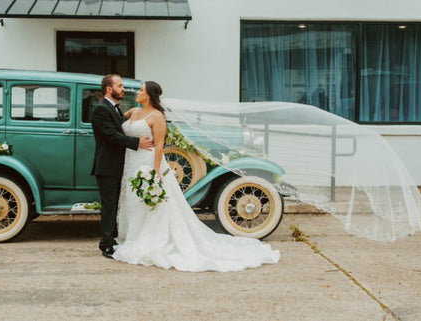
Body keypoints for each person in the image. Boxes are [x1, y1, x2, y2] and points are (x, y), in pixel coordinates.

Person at [112, 81, 280, 272]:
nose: (137, 92)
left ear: (149, 94)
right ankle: (132, 234)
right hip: (132, 161)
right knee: (133, 199)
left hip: (148, 161)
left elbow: (159, 145)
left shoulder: (157, 116)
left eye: (141, 89)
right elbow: (114, 121)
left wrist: (156, 171)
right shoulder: (133, 112)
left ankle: (147, 238)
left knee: (151, 202)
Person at [90, 74, 153, 258]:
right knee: (109, 205)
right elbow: (111, 135)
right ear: (109, 89)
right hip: (107, 166)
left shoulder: (116, 109)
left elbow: (120, 127)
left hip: (118, 165)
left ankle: (113, 238)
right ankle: (106, 243)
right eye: (120, 85)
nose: (123, 88)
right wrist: (137, 143)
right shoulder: (101, 110)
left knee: (116, 203)